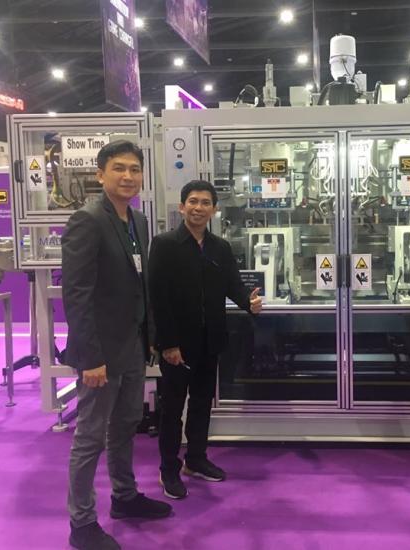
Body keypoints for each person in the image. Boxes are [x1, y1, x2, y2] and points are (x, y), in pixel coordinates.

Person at [62, 140, 172, 550]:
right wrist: (91, 357)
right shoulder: (87, 220)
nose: (128, 176)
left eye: (134, 169)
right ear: (100, 174)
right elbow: (77, 294)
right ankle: (81, 523)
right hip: (101, 353)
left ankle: (124, 496)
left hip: (132, 347)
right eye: (119, 168)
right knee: (90, 437)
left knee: (126, 424)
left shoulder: (137, 221)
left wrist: (150, 337)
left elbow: (142, 285)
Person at [148, 180, 263, 499]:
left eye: (205, 203)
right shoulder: (164, 244)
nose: (198, 208)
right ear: (182, 206)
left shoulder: (220, 248)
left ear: (214, 209)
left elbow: (232, 285)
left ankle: (195, 459)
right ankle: (168, 469)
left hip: (210, 341)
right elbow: (158, 298)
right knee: (172, 408)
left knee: (201, 404)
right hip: (177, 345)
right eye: (193, 202)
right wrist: (168, 344)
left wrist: (249, 303)